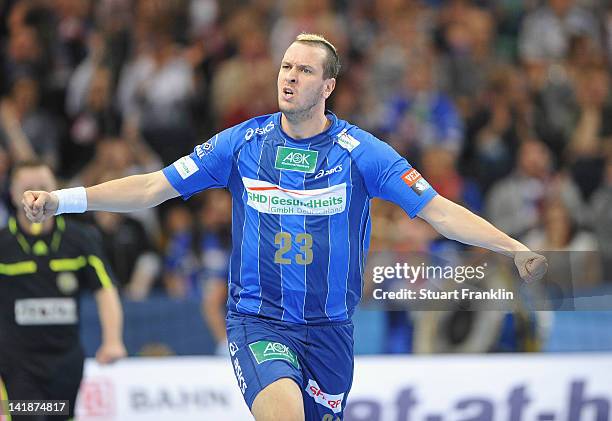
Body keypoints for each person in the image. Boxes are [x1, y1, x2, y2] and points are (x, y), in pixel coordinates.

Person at [21, 33, 547, 421]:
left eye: (304, 71)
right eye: (285, 67)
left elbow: (438, 210)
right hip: (259, 321)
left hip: (331, 331)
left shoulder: (362, 155)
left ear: (329, 86)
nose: (289, 77)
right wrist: (63, 200)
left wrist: (512, 247)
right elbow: (153, 187)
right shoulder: (242, 144)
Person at [1, 161, 126, 421]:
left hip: (66, 359)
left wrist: (113, 340)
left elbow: (105, 289)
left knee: (59, 415)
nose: (34, 197)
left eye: (43, 188)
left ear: (55, 191)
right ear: (12, 194)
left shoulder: (81, 239)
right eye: (26, 189)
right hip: (16, 361)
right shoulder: (3, 244)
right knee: (30, 416)